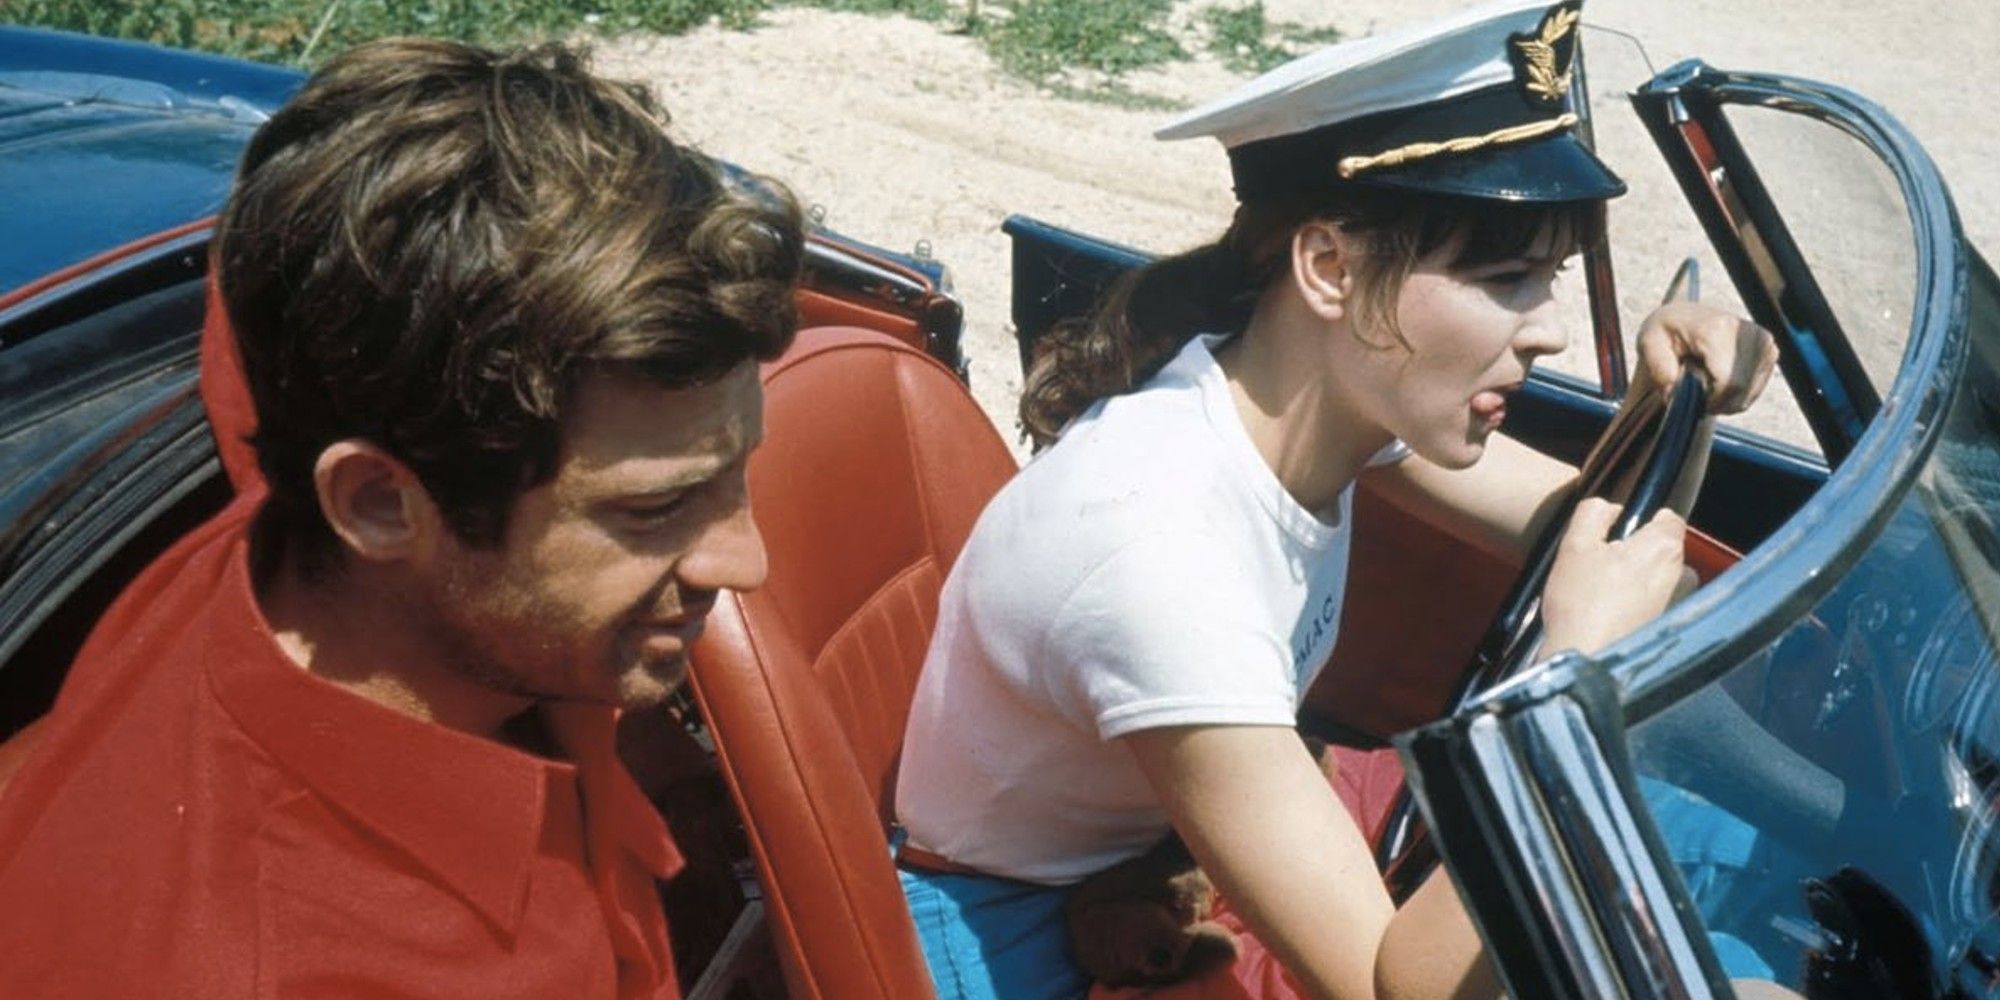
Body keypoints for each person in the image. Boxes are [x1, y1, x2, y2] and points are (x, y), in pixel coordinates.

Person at [891, 1, 1781, 998]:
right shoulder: (1154, 554)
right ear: (1326, 267)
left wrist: (1676, 405)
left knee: (1718, 858)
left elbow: (1583, 529)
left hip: (1165, 839)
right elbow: (1386, 984)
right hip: (1024, 931)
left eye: (1549, 278)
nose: (1545, 334)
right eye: (1501, 277)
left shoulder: (1302, 394)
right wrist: (1564, 680)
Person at [0, 38, 801, 998]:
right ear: (379, 504)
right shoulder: (257, 962)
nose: (744, 561)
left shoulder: (323, 381)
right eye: (654, 506)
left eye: (735, 470)